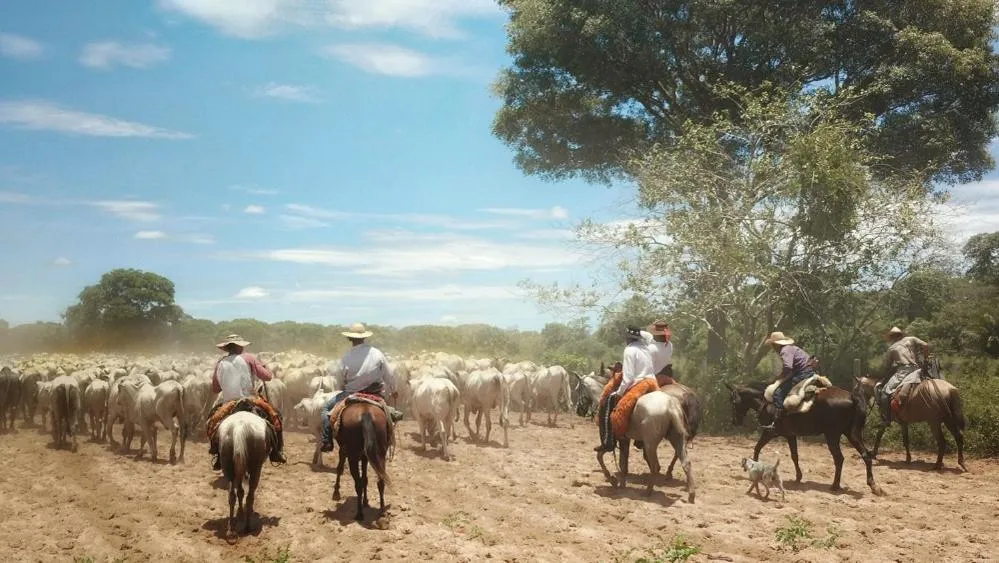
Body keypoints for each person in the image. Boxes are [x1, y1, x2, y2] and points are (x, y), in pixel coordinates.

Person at [206, 334, 286, 470]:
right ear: (240, 346)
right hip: (250, 399)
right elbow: (267, 377)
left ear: (227, 348)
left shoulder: (220, 363)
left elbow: (215, 388)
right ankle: (277, 452)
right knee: (276, 416)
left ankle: (217, 452)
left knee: (212, 422)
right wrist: (265, 367)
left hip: (228, 402)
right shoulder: (249, 358)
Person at [319, 323, 400, 453]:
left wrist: (343, 387)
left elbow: (340, 379)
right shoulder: (377, 353)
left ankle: (326, 441)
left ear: (350, 339)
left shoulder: (346, 357)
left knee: (326, 409)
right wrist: (394, 390)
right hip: (375, 393)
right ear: (364, 338)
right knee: (390, 414)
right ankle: (389, 439)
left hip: (351, 394)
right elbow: (389, 374)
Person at [594, 326, 657, 453]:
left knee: (608, 402)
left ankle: (607, 442)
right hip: (652, 383)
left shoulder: (629, 350)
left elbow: (628, 377)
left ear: (628, 338)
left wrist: (620, 392)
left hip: (639, 383)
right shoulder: (645, 348)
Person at [759, 331, 814, 431]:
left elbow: (788, 367)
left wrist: (780, 377)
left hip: (801, 373)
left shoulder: (785, 350)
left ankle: (777, 423)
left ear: (776, 344)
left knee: (778, 393)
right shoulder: (793, 348)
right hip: (808, 371)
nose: (772, 347)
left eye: (772, 345)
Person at [878, 326, 930, 424]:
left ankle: (887, 418)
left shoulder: (891, 349)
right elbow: (926, 345)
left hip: (904, 371)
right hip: (919, 369)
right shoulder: (911, 339)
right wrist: (926, 360)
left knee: (885, 392)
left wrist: (883, 375)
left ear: (892, 337)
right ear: (901, 334)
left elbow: (887, 367)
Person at [641, 320, 675, 387]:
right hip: (667, 375)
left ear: (656, 335)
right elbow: (647, 335)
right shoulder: (670, 345)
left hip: (654, 377)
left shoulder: (651, 348)